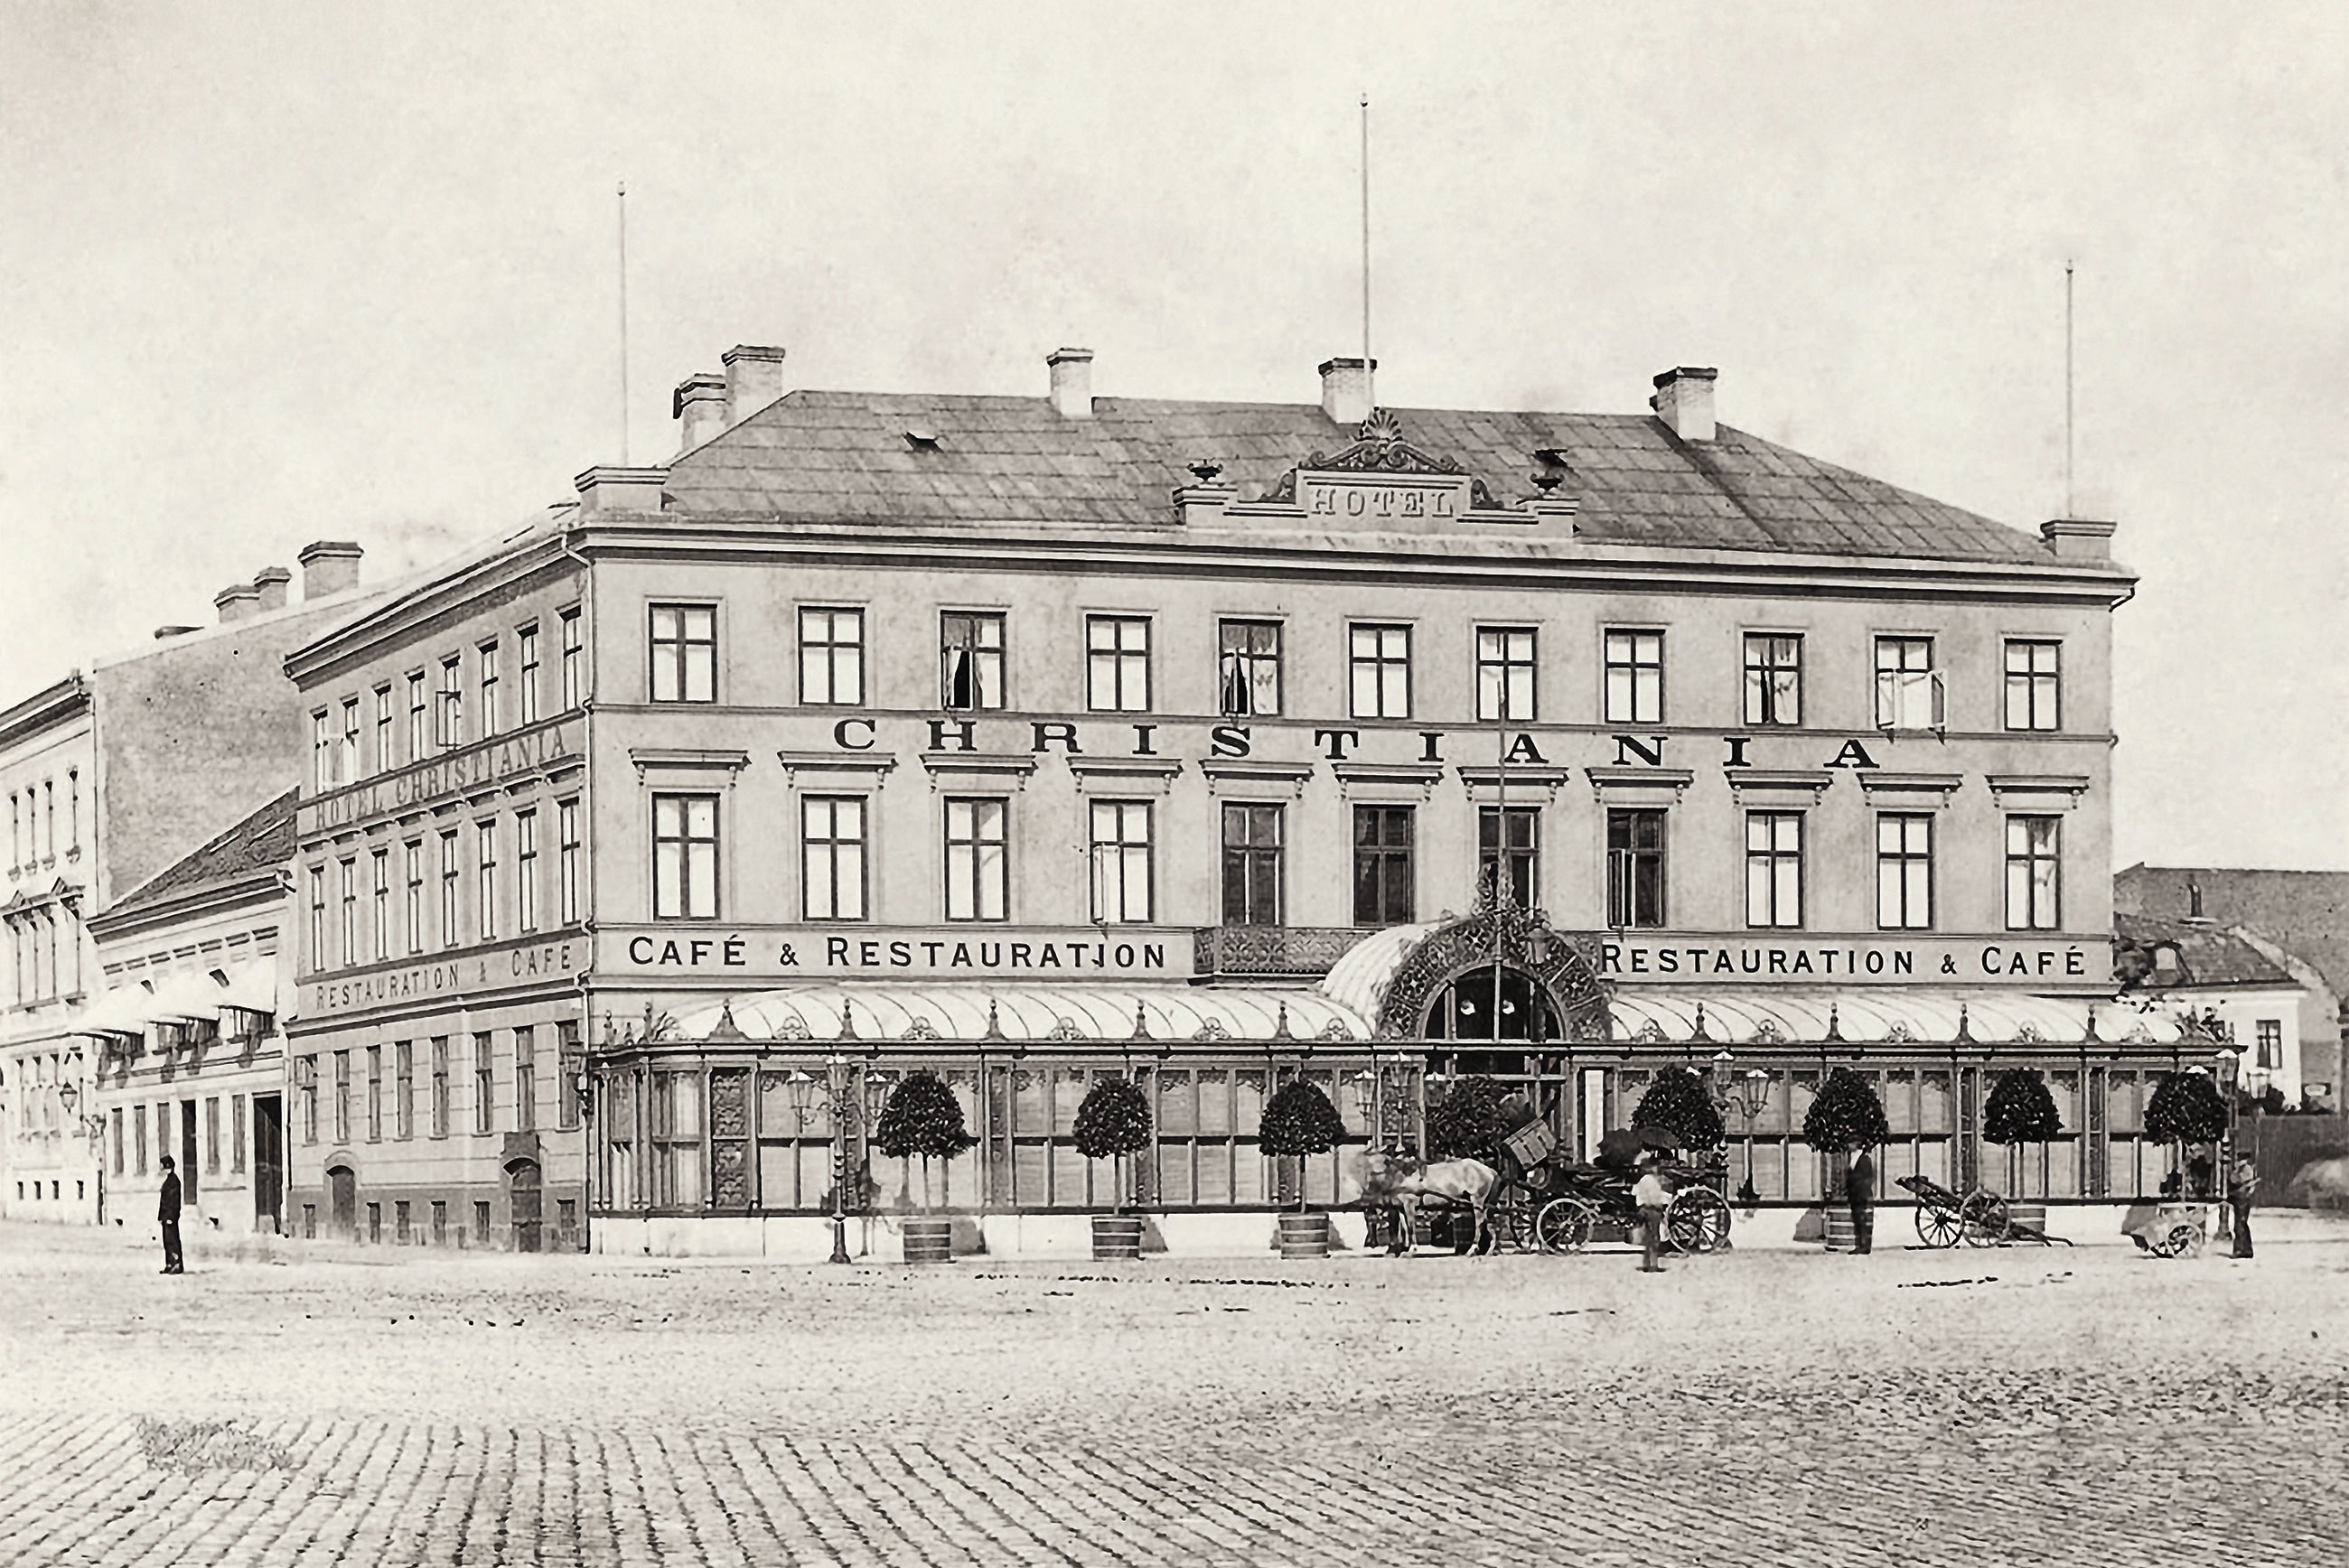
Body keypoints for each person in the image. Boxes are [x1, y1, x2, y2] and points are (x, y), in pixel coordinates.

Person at [1633, 1157, 1671, 1273]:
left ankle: (1646, 1263)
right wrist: (1662, 1206)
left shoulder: (1642, 1180)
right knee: (1654, 1238)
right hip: (1652, 1210)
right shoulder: (1651, 1181)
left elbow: (1635, 1193)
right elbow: (1654, 1199)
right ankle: (1653, 1265)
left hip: (1643, 1209)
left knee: (1648, 1238)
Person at [1848, 1146, 1877, 1255]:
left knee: (1862, 1220)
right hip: (1854, 1195)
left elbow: (1867, 1178)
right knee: (1857, 1220)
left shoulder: (1865, 1159)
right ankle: (1859, 1244)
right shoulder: (1852, 1158)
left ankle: (1864, 1245)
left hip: (1861, 1194)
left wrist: (1862, 1192)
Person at [157, 1154, 184, 1274]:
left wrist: (171, 1217)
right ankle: (170, 1263)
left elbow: (174, 1202)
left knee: (172, 1240)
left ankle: (177, 1264)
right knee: (167, 1241)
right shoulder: (169, 1180)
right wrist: (161, 1216)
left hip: (170, 1217)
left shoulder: (173, 1181)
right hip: (166, 1217)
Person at [2229, 1155, 2259, 1259]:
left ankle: (2241, 1249)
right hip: (2240, 1199)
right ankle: (2246, 1249)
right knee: (2241, 1224)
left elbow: (2236, 1180)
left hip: (2243, 1200)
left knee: (2240, 1225)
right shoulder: (2241, 1169)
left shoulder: (2245, 1169)